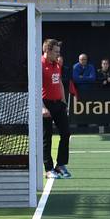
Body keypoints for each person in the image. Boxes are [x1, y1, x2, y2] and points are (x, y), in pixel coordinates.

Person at [41, 39, 72, 179]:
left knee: (66, 133)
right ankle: (48, 169)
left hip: (58, 104)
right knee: (46, 137)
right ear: (47, 50)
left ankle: (60, 165)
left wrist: (64, 103)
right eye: (56, 52)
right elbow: (35, 88)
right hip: (45, 105)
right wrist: (41, 107)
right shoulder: (40, 65)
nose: (58, 55)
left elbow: (59, 83)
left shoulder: (57, 64)